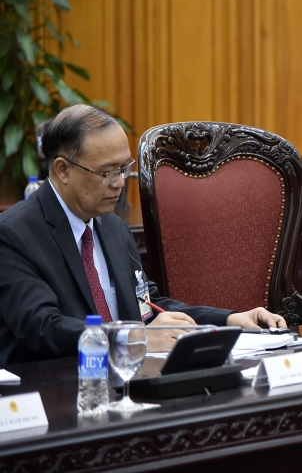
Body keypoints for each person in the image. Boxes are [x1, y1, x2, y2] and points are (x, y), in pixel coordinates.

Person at [0, 105, 285, 367]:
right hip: (57, 390)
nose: (120, 182)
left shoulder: (112, 227)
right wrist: (137, 337)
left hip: (127, 379)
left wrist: (229, 319)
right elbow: (43, 329)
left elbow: (148, 306)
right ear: (63, 169)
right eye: (107, 172)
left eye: (124, 168)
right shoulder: (14, 234)